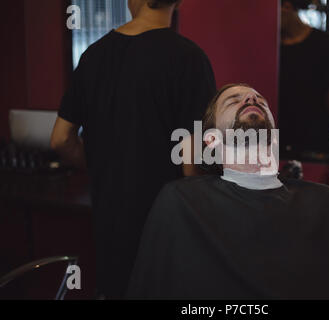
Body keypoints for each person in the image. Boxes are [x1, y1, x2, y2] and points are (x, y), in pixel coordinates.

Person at [127, 84, 329, 299]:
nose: (251, 99)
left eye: (260, 100)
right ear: (211, 140)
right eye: (234, 100)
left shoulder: (326, 202)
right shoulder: (181, 202)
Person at [50, 0, 216, 299]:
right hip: (166, 235)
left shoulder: (93, 55)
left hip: (110, 232)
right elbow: (192, 164)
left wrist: (103, 164)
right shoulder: (189, 58)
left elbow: (61, 139)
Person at [279, 0, 329, 159]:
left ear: (287, 7)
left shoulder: (324, 45)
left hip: (313, 145)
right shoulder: (268, 46)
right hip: (274, 144)